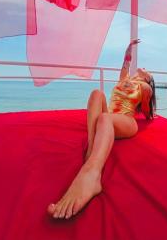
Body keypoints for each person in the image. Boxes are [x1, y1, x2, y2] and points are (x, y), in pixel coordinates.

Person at [47, 39, 156, 219]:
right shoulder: (125, 79)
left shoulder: (144, 87)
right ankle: (91, 149)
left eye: (147, 71)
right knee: (97, 93)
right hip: (109, 118)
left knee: (105, 118)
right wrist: (128, 49)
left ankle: (92, 174)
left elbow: (146, 109)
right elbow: (126, 64)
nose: (143, 68)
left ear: (148, 79)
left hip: (126, 122)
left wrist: (150, 109)